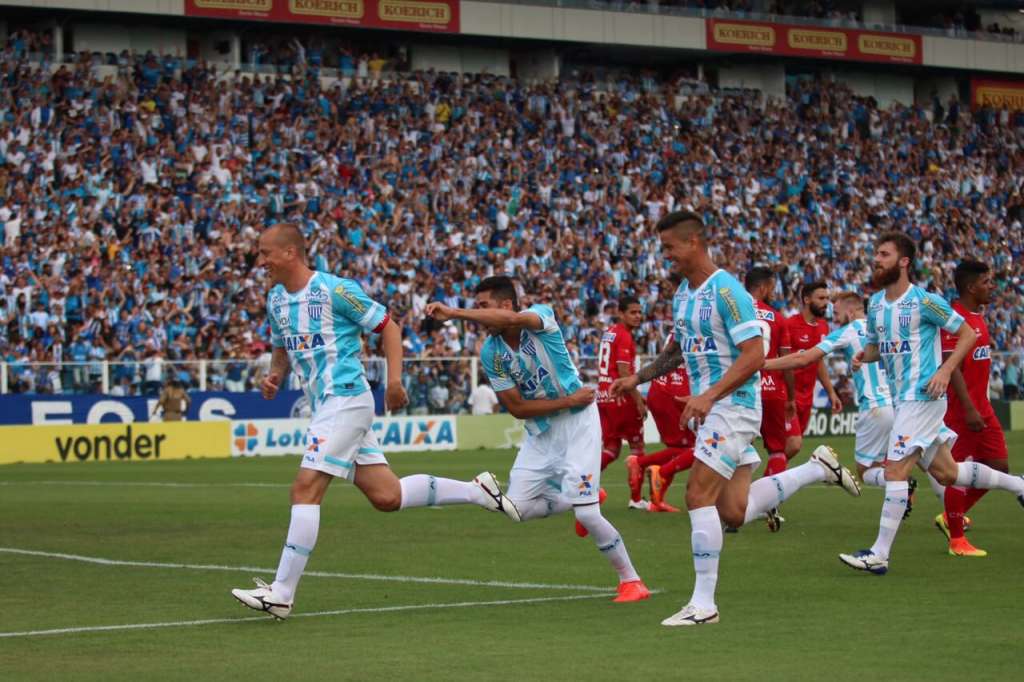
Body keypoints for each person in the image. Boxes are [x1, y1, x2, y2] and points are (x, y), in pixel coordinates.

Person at [231, 224, 511, 620]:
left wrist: (394, 382)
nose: (260, 262)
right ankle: (475, 490)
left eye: (265, 254)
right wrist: (276, 374)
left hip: (345, 398)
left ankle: (281, 592)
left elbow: (389, 327)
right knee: (387, 496)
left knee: (305, 489)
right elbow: (281, 346)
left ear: (290, 253)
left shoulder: (335, 290)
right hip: (326, 404)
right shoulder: (276, 299)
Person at [612, 211, 860, 626]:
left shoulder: (727, 292)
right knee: (733, 511)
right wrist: (637, 377)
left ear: (694, 243)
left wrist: (709, 394)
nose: (665, 255)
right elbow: (677, 349)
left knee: (696, 496)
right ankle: (816, 470)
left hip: (734, 406)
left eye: (670, 247)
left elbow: (755, 355)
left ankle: (703, 605)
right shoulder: (684, 295)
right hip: (714, 408)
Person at [424, 276, 651, 603]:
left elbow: (514, 320)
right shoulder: (492, 352)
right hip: (543, 431)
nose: (480, 314)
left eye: (483, 306)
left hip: (578, 425)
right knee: (517, 509)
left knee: (587, 515)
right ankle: (582, 496)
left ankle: (631, 581)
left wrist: (456, 313)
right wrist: (566, 401)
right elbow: (516, 408)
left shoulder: (538, 317)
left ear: (505, 305)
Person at [839, 234, 1024, 575]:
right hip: (904, 400)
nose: (876, 259)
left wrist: (945, 370)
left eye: (884, 254)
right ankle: (1019, 485)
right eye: (876, 254)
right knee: (947, 472)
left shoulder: (925, 302)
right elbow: (881, 347)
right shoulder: (877, 304)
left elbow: (968, 333)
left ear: (904, 261)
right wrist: (863, 356)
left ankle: (879, 554)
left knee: (895, 471)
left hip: (921, 398)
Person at [764, 292, 905, 505]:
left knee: (866, 471)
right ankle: (952, 519)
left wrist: (762, 364)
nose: (834, 316)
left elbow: (804, 358)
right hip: (902, 406)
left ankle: (900, 484)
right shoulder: (885, 329)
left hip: (876, 407)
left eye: (837, 312)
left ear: (850, 311)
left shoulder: (849, 331)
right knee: (933, 464)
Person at [935, 260, 1014, 557]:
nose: (992, 286)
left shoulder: (978, 316)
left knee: (999, 467)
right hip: (961, 409)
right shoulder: (954, 318)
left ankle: (951, 515)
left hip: (984, 407)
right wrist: (968, 408)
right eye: (986, 282)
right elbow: (950, 365)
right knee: (955, 472)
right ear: (970, 287)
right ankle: (957, 540)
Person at [745, 267, 797, 500]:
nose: (774, 293)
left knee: (739, 449)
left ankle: (734, 499)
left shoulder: (736, 313)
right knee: (777, 450)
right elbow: (787, 362)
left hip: (742, 388)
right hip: (772, 391)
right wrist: (791, 398)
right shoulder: (777, 317)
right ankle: (768, 504)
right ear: (764, 287)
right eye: (772, 288)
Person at [781, 280, 840, 469]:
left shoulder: (824, 327)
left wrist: (831, 392)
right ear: (806, 299)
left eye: (827, 298)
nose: (826, 303)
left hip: (807, 397)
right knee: (793, 444)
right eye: (821, 298)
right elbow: (782, 361)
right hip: (786, 395)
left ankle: (769, 487)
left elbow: (819, 361)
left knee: (789, 449)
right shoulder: (789, 324)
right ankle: (766, 484)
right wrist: (787, 395)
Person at [596, 296, 648, 507]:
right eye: (632, 312)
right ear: (621, 313)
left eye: (639, 312)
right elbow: (625, 373)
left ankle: (577, 484)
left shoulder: (610, 333)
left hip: (603, 396)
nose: (637, 316)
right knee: (638, 448)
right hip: (620, 398)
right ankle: (636, 499)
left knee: (611, 448)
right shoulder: (624, 336)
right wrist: (639, 401)